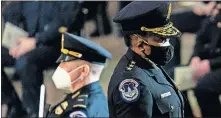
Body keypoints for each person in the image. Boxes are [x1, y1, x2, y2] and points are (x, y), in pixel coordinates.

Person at [2, 1, 81, 117]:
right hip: (29, 43)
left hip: (58, 45)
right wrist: (16, 40)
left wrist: (36, 41)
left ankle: (34, 112)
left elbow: (65, 22)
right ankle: (13, 106)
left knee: (27, 61)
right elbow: (12, 11)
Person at [108, 1, 184, 118]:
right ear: (140, 44)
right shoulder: (134, 84)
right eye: (161, 39)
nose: (167, 44)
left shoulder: (150, 63)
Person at [46, 32, 112, 117]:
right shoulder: (79, 97)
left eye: (65, 64)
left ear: (84, 71)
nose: (60, 67)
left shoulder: (83, 108)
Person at [189, 2, 221, 117]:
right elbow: (201, 37)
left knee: (205, 87)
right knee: (174, 79)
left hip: (216, 64)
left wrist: (210, 64)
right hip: (207, 61)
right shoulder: (216, 10)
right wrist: (195, 56)